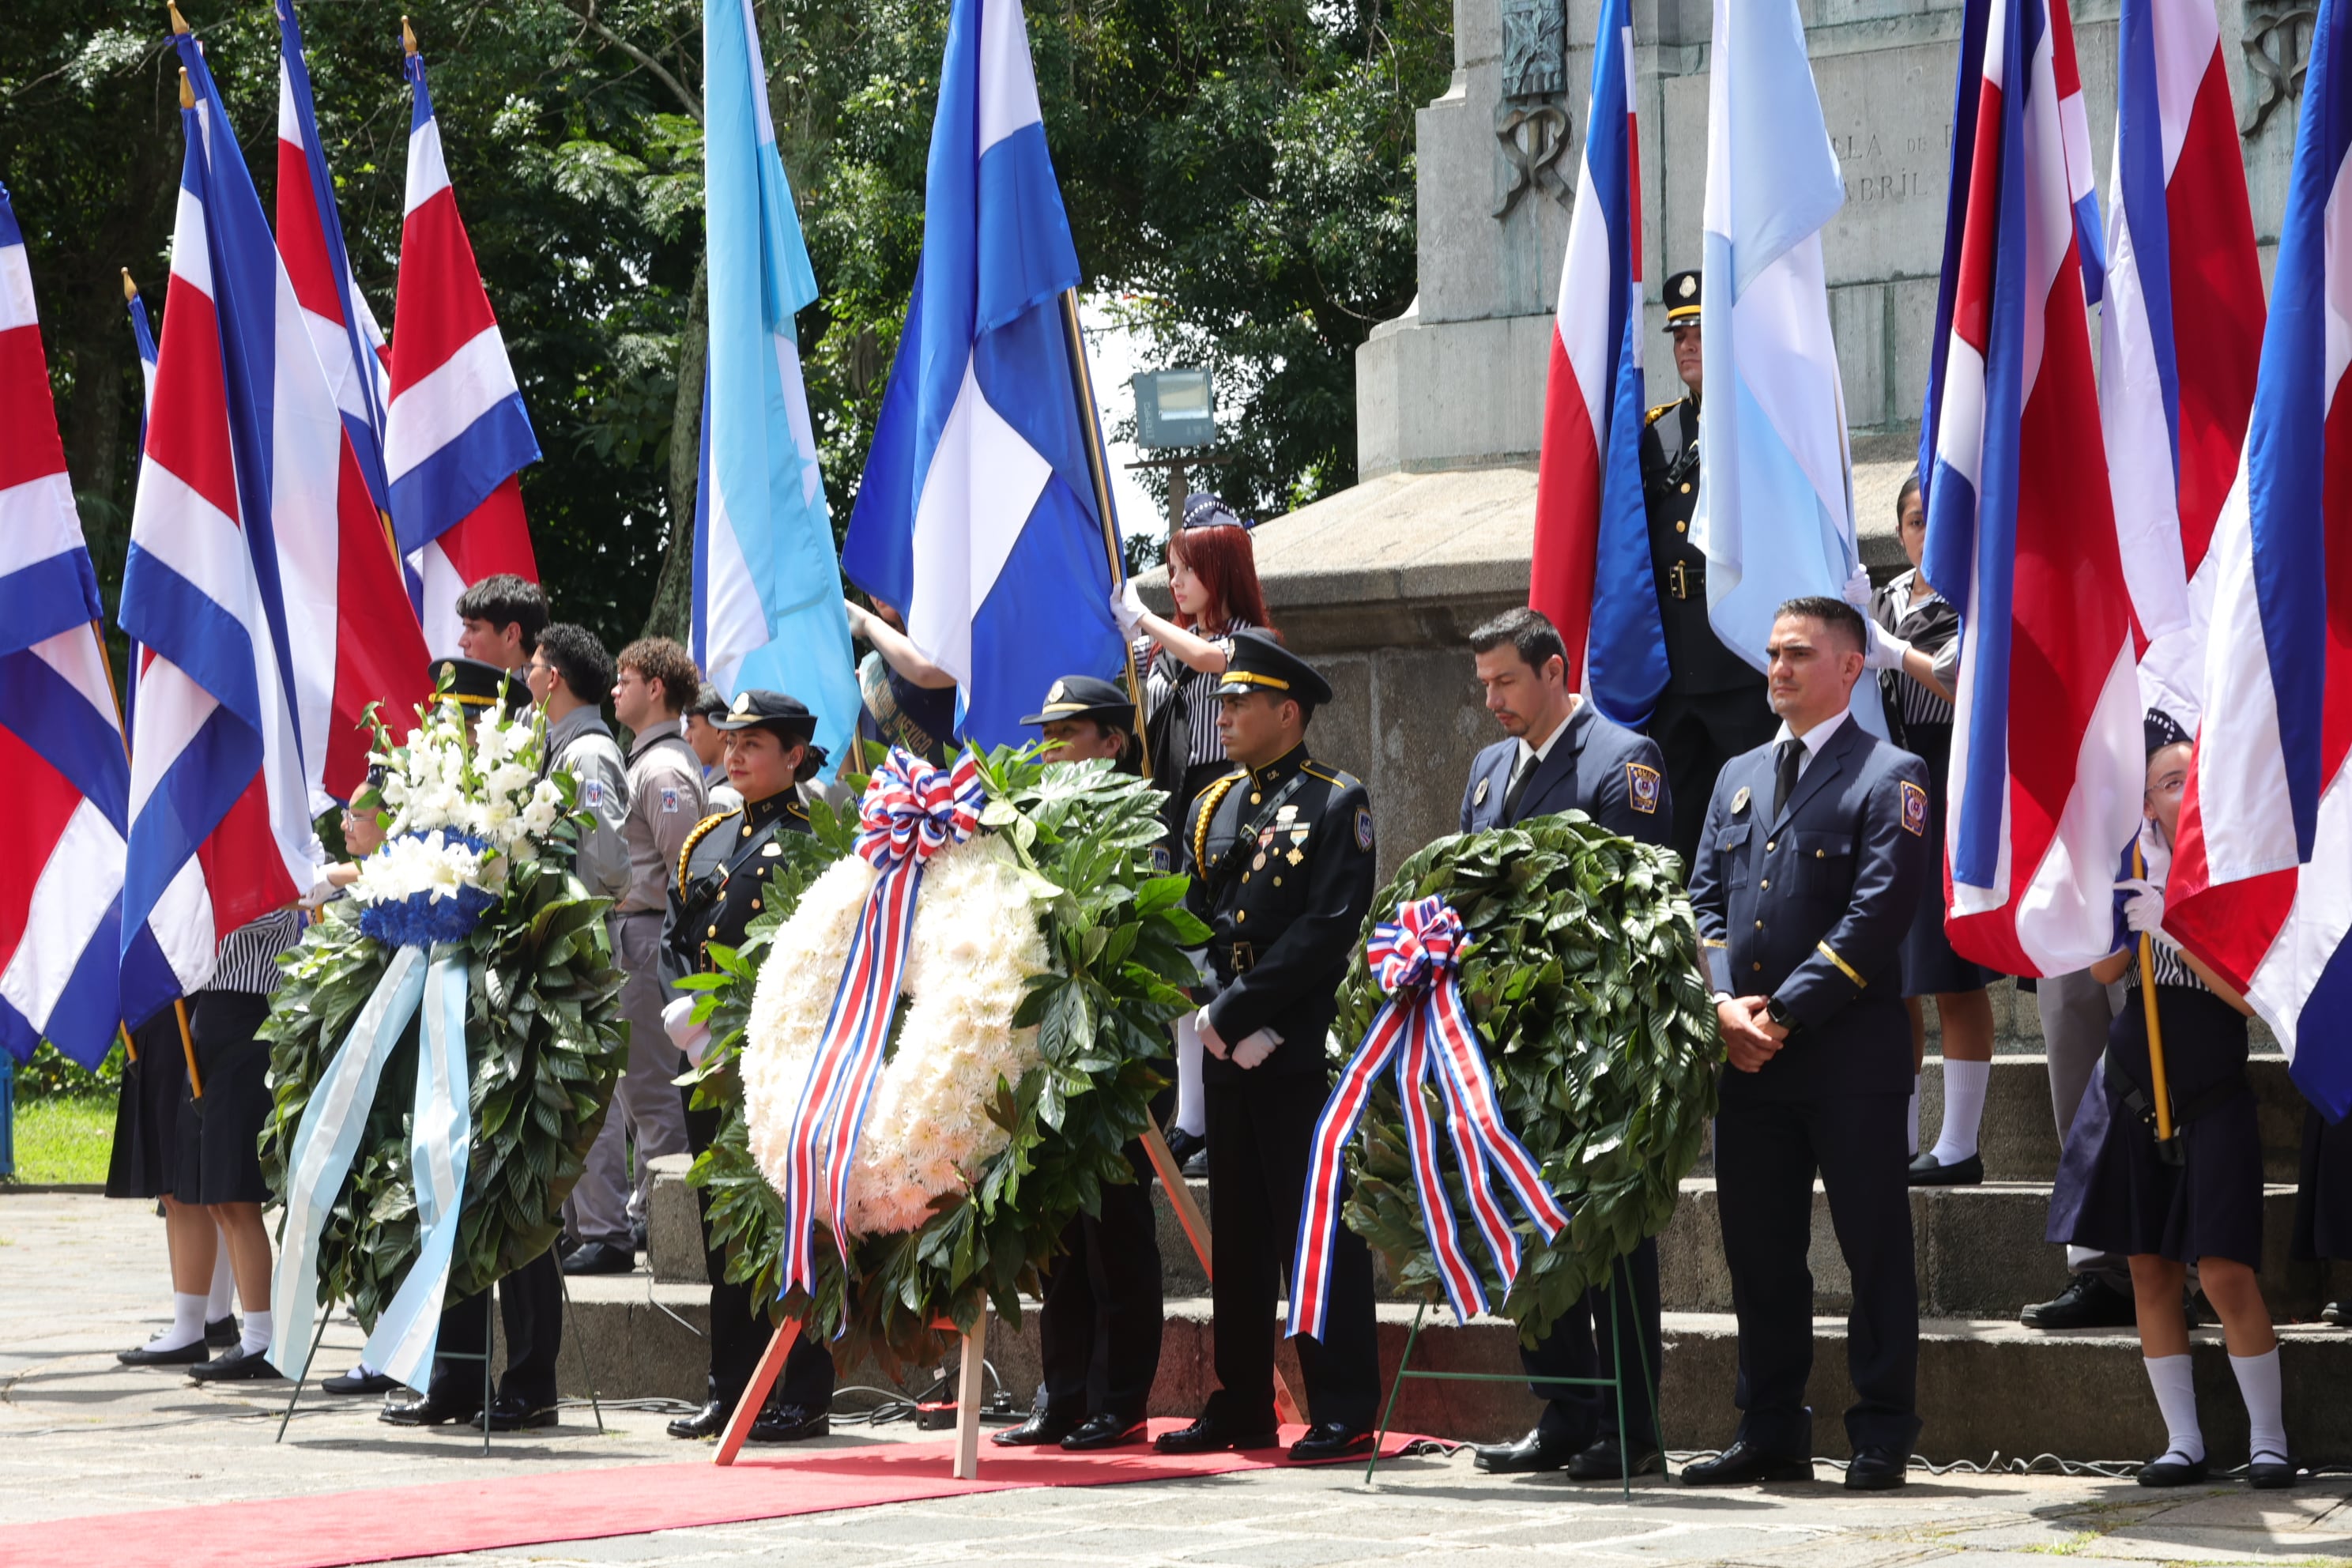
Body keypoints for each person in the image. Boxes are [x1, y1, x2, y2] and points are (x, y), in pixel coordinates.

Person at [1683, 596, 1932, 1490]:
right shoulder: (1738, 773)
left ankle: (1880, 1431)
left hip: (1845, 1061)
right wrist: (1720, 1006)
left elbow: (1875, 919)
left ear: (1852, 667)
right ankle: (1772, 1425)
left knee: (1873, 1248)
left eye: (1797, 654)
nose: (1777, 668)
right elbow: (1703, 900)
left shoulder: (1889, 774)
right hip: (1746, 1061)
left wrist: (1780, 1013)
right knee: (1759, 1250)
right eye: (1773, 654)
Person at [1155, 631, 1381, 1464]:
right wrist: (1216, 1008)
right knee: (1241, 1234)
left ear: (1289, 711)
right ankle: (1242, 1398)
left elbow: (1328, 927)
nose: (1227, 713)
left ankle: (1344, 1404)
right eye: (1224, 700)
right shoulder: (1215, 802)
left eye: (1241, 701)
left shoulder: (1336, 799)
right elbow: (1197, 915)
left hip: (1295, 1042)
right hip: (1226, 1041)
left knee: (1315, 1228)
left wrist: (1246, 1010)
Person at [1456, 609, 1672, 1481]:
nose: (1493, 702)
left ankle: (1632, 1425)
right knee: (1528, 1229)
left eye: (1506, 681)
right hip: (1508, 1042)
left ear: (1554, 671)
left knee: (1610, 1236)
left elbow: (1636, 905)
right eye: (1484, 687)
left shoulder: (1623, 761)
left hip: (1593, 1041)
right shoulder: (1485, 770)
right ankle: (1563, 1408)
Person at [2058, 715, 2293, 1489]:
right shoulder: (2131, 864)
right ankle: (2182, 1440)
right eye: (2165, 780)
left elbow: (2249, 1000)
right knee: (2150, 1268)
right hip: (2135, 1082)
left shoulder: (2231, 873)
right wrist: (2116, 909)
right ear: (2147, 803)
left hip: (2212, 1085)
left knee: (2224, 1269)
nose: (2181, 787)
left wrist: (2178, 927)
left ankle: (2269, 1439)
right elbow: (2100, 975)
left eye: (2190, 776)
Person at [383, 654, 584, 1431]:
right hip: (442, 1015)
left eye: (469, 719)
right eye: (450, 722)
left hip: (516, 1015)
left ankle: (533, 1377)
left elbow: (561, 899)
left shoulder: (531, 797)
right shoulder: (426, 799)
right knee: (446, 1191)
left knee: (519, 1198)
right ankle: (455, 1376)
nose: (459, 735)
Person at [658, 690, 837, 1444]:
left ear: (793, 757)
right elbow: (676, 942)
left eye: (753, 744)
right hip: (707, 1063)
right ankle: (729, 1387)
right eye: (730, 741)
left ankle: (803, 1390)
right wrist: (687, 1020)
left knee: (790, 1223)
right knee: (721, 1225)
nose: (733, 754)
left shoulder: (815, 839)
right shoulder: (707, 837)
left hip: (779, 1060)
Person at [995, 677, 1164, 1452]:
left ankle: (1118, 1396)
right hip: (1046, 1052)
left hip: (1115, 1057)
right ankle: (1062, 1393)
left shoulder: (1143, 825)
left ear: (1113, 742)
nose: (1050, 748)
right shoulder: (1036, 823)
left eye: (1067, 733)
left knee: (1113, 1234)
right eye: (1046, 733)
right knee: (1056, 1234)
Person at [1108, 493, 1280, 1173]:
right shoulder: (1166, 648)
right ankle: (1190, 1118)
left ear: (1222, 566)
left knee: (1216, 963)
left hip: (1227, 801)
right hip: (1173, 802)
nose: (1173, 582)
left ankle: (1216, 1114)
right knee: (1178, 970)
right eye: (1169, 569)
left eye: (1185, 568)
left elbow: (1216, 661)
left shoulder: (1245, 638)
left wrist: (1145, 620)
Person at [1868, 474, 1997, 1185]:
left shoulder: (1973, 595)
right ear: (1901, 532)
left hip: (1949, 777)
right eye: (1917, 523)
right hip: (1888, 790)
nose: (1927, 534)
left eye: (1938, 522)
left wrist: (1893, 650)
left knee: (1950, 972)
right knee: (1894, 980)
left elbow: (1967, 683)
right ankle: (1902, 1137)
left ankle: (1959, 1143)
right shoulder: (1881, 599)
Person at [564, 638, 707, 1276]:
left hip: (646, 934)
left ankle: (674, 1232)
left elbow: (687, 872)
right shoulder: (647, 761)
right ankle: (648, 1219)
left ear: (656, 688)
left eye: (626, 680)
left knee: (650, 1093)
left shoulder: (664, 769)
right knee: (631, 1094)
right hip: (633, 932)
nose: (615, 691)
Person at [1639, 270, 1779, 877]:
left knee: (1752, 822)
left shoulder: (1755, 421)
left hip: (1736, 655)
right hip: (1672, 662)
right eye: (1679, 335)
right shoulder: (1657, 431)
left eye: (1699, 333)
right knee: (1676, 826)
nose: (1687, 345)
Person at [175, 905, 311, 1381]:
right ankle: (255, 1334)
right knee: (219, 1200)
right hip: (213, 1018)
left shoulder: (266, 867)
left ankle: (261, 1337)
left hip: (250, 1020)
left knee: (237, 1194)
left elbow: (276, 915)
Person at [109, 1004, 240, 1369]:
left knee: (184, 1186)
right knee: (178, 1188)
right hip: (159, 1012)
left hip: (177, 1012)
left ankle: (194, 1326)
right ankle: (202, 1318)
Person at [527, 624, 631, 905]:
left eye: (531, 669)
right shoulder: (565, 743)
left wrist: (598, 906)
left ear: (552, 677)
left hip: (581, 931)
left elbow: (610, 863)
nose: (526, 679)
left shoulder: (589, 754)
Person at [843, 596, 956, 766]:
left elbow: (924, 671)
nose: (874, 587)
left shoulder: (954, 637)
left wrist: (867, 623)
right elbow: (847, 770)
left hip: (967, 789)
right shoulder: (871, 668)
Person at [454, 574, 548, 674]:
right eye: (466, 628)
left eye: (473, 629)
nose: (462, 642)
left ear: (511, 635)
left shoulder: (547, 689)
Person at [685, 684, 744, 814]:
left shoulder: (721, 799)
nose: (686, 736)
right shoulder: (744, 785)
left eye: (691, 726)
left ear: (720, 730)